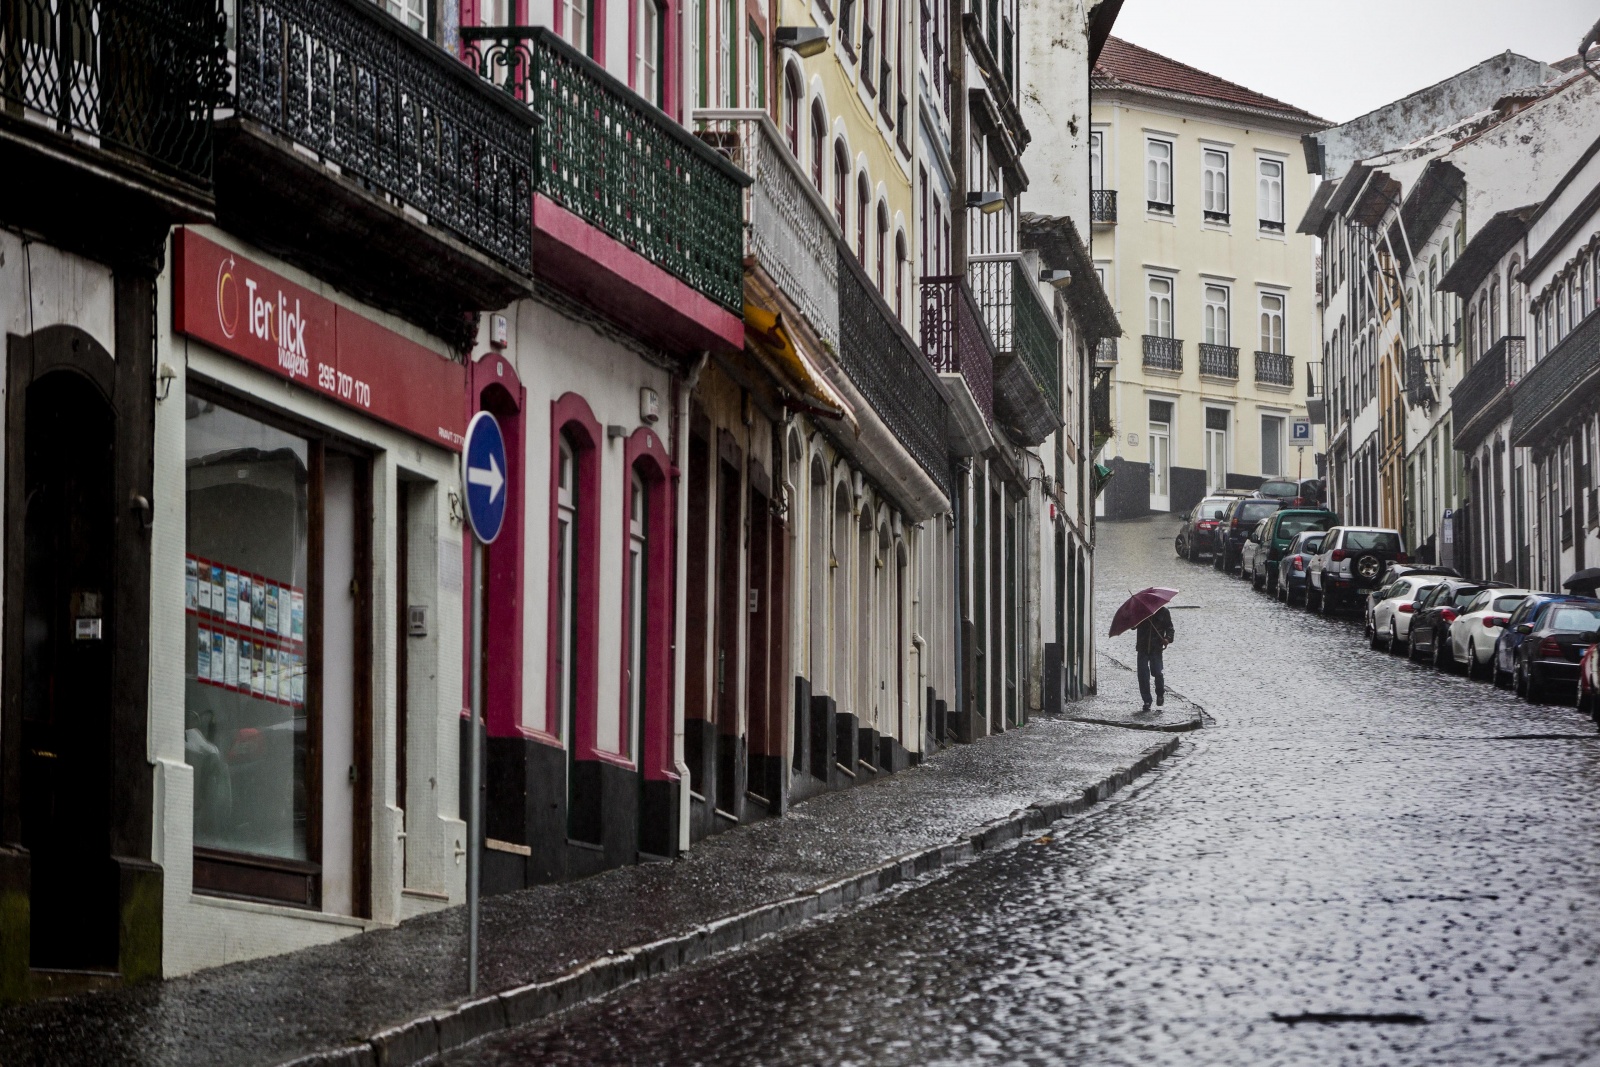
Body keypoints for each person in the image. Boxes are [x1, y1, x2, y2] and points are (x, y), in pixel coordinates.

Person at [1135, 606, 1174, 712]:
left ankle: (1160, 693)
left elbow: (1170, 629)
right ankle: (1147, 701)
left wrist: (1167, 639)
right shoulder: (1141, 612)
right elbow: (1133, 626)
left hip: (1156, 648)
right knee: (1143, 675)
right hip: (1142, 648)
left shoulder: (1164, 612)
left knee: (1157, 672)